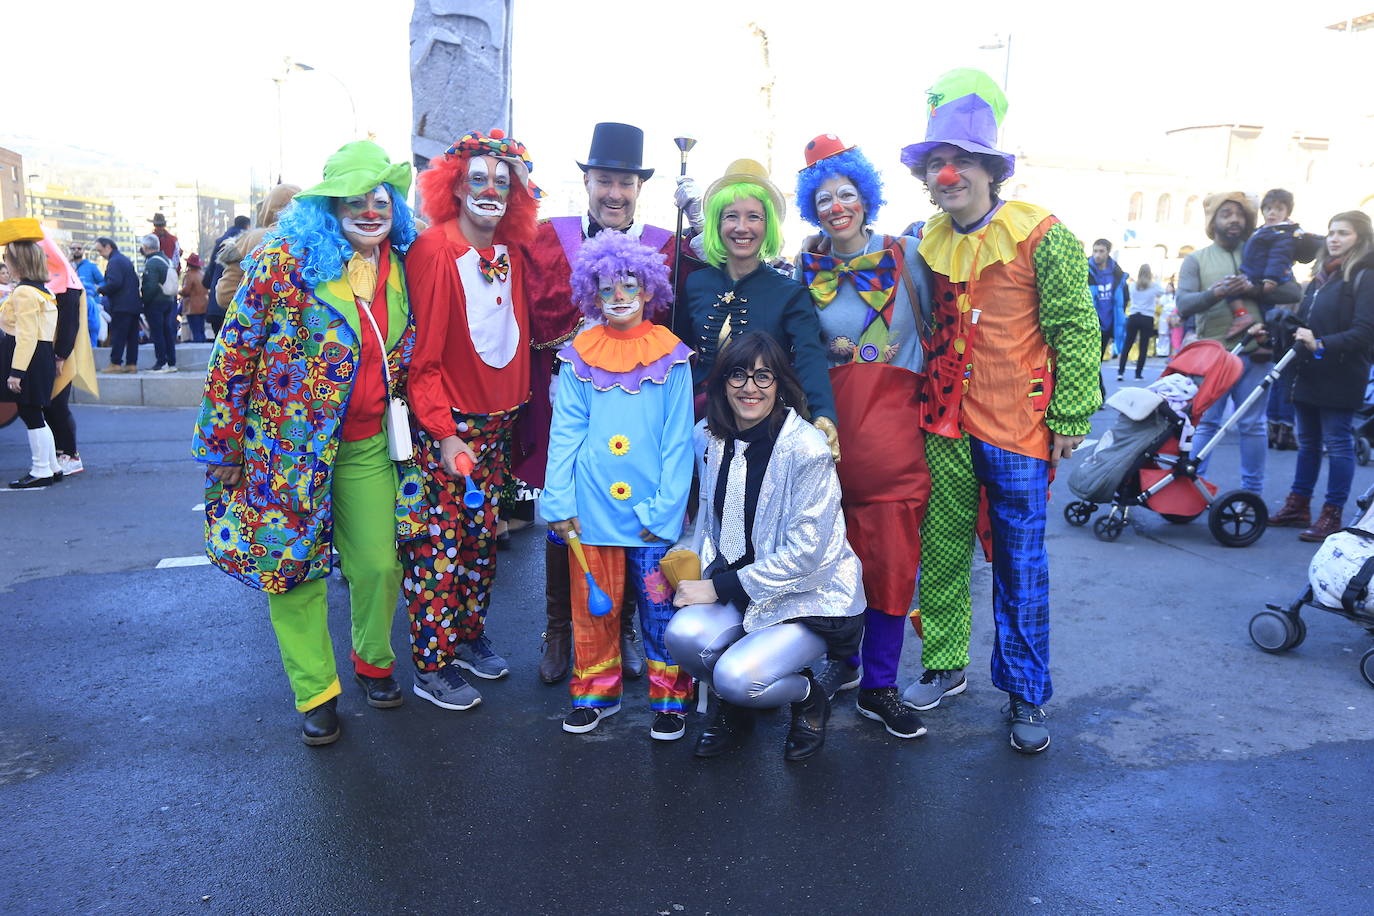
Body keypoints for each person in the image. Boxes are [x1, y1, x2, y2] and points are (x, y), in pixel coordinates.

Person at [192, 140, 422, 746]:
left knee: (377, 563)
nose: (370, 211)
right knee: (293, 573)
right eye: (355, 199)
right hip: (282, 452)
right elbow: (233, 357)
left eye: (381, 199)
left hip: (368, 443)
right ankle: (315, 692)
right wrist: (222, 447)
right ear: (329, 206)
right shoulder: (283, 264)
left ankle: (374, 659)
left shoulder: (401, 266)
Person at [898, 69, 1101, 753]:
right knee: (943, 551)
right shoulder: (924, 240)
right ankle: (945, 664)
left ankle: (1025, 694)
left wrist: (1072, 412)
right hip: (945, 423)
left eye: (957, 161)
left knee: (1020, 563)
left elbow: (1076, 326)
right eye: (934, 164)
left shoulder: (1042, 233)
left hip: (1018, 426)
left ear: (988, 169)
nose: (946, 174)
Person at [524, 121, 702, 687]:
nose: (615, 194)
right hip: (568, 392)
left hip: (637, 401)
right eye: (604, 181)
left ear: (639, 187)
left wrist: (697, 228)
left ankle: (623, 625)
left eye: (625, 183)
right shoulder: (549, 238)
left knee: (629, 515)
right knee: (567, 511)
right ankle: (560, 627)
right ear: (587, 181)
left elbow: (692, 300)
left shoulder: (663, 243)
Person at [665, 332, 866, 761]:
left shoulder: (806, 449)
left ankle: (807, 697)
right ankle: (736, 710)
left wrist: (717, 589)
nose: (750, 387)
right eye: (738, 375)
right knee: (681, 637)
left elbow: (808, 555)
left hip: (807, 598)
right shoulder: (709, 437)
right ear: (721, 383)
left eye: (763, 376)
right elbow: (707, 522)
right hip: (740, 588)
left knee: (736, 676)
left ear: (779, 385)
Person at [793, 133, 930, 739]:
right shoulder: (803, 268)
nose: (835, 206)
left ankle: (880, 685)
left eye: (845, 193)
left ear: (865, 198)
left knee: (893, 561)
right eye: (823, 198)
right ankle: (842, 663)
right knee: (831, 560)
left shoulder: (909, 255)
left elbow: (946, 328)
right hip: (828, 436)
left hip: (896, 435)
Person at [403, 129, 541, 710]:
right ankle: (431, 662)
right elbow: (423, 357)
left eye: (502, 183)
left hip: (498, 427)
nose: (490, 190)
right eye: (478, 179)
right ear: (454, 186)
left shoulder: (510, 253)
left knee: (482, 539)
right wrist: (442, 432)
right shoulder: (435, 250)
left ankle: (465, 636)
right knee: (440, 544)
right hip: (452, 427)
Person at [542, 231, 695, 738]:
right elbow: (565, 430)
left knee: (658, 608)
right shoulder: (579, 354)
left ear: (649, 289)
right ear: (594, 294)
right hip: (590, 511)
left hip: (651, 514)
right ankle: (595, 694)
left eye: (630, 284)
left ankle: (670, 697)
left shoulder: (671, 355)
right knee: (593, 609)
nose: (621, 296)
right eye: (608, 289)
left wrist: (666, 512)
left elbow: (678, 440)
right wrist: (559, 499)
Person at [679, 158, 837, 454]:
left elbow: (810, 359)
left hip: (763, 430)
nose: (742, 227)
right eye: (731, 216)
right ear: (717, 222)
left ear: (768, 226)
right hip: (698, 426)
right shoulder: (695, 284)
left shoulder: (789, 294)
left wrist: (823, 414)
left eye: (754, 217)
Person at [1175, 191, 1303, 491]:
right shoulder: (1196, 259)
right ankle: (1190, 489)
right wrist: (1216, 293)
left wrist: (1256, 288)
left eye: (1240, 214)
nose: (1235, 220)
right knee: (1206, 424)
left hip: (1256, 354)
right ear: (1213, 221)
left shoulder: (1262, 249)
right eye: (1226, 214)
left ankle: (1251, 495)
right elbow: (1183, 305)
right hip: (1213, 356)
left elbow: (1294, 293)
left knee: (1253, 426)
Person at [1269, 211, 1374, 542]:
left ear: (1361, 238)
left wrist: (1322, 342)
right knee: (1309, 443)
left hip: (1341, 373)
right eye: (1331, 232)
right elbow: (1305, 320)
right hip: (1309, 370)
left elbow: (1364, 332)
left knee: (1338, 444)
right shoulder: (1320, 276)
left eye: (1343, 232)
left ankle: (1333, 513)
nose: (1334, 238)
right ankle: (1298, 505)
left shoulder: (1364, 275)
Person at [1, 220, 61, 488]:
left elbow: (25, 335)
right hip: (42, 354)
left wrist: (16, 372)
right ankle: (51, 466)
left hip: (29, 356)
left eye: (7, 259)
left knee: (30, 413)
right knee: (36, 412)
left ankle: (41, 470)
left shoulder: (24, 292)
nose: (5, 263)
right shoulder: (41, 290)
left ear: (18, 262)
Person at [37, 234, 98, 476]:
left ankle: (70, 454)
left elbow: (69, 325)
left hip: (61, 353)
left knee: (56, 405)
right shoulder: (62, 281)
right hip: (56, 352)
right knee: (51, 405)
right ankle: (63, 452)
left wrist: (60, 356)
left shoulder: (66, 284)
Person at [214, 186, 299, 320]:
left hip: (257, 332)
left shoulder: (251, 239)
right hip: (305, 332)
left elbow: (224, 295)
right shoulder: (318, 241)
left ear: (267, 210)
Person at [1233, 189, 1302, 335]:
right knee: (1260, 306)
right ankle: (1253, 325)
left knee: (1262, 307)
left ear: (1287, 213)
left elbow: (1279, 258)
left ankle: (1258, 329)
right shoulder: (1263, 230)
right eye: (1268, 208)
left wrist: (1271, 279)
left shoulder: (1282, 233)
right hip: (1254, 275)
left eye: (1279, 209)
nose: (1272, 213)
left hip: (1265, 278)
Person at [96, 238, 141, 373]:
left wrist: (100, 289)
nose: (100, 254)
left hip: (121, 305)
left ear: (108, 247)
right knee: (132, 336)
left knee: (119, 335)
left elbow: (115, 283)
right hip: (133, 304)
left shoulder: (114, 262)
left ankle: (115, 363)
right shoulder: (124, 260)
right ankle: (131, 363)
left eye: (100, 250)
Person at [204, 215, 250, 337]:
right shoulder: (248, 241)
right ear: (247, 226)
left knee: (219, 345)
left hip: (216, 300)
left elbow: (210, 271)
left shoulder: (220, 242)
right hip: (237, 305)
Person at [139, 234, 177, 373]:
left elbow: (150, 286)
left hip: (156, 302)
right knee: (167, 331)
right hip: (169, 299)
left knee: (157, 333)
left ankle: (161, 363)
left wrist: (144, 301)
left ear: (146, 247)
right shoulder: (166, 259)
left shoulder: (152, 262)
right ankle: (171, 362)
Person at [1118, 264, 1162, 381]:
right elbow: (1162, 292)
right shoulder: (1154, 286)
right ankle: (1138, 374)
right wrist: (1156, 280)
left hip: (1133, 316)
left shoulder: (1132, 286)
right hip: (1147, 317)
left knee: (1127, 344)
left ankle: (1120, 372)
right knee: (1143, 346)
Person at [1089, 238, 1130, 361]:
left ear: (1108, 252)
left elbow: (1124, 297)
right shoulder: (1085, 271)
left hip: (1108, 324)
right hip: (1090, 323)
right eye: (1095, 251)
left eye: (1101, 251)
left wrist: (1119, 318)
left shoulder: (1117, 273)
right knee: (1091, 360)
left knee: (1098, 359)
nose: (1097, 255)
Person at [70, 243, 104, 347]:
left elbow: (102, 282)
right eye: (73, 248)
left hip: (90, 303)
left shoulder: (91, 267)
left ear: (83, 251)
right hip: (73, 304)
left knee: (92, 331)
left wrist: (94, 290)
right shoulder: (67, 265)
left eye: (79, 248)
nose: (76, 250)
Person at [179, 253, 209, 342]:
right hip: (203, 306)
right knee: (201, 330)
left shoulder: (189, 275)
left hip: (192, 307)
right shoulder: (202, 274)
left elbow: (186, 291)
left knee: (195, 332)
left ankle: (199, 353)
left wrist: (178, 292)